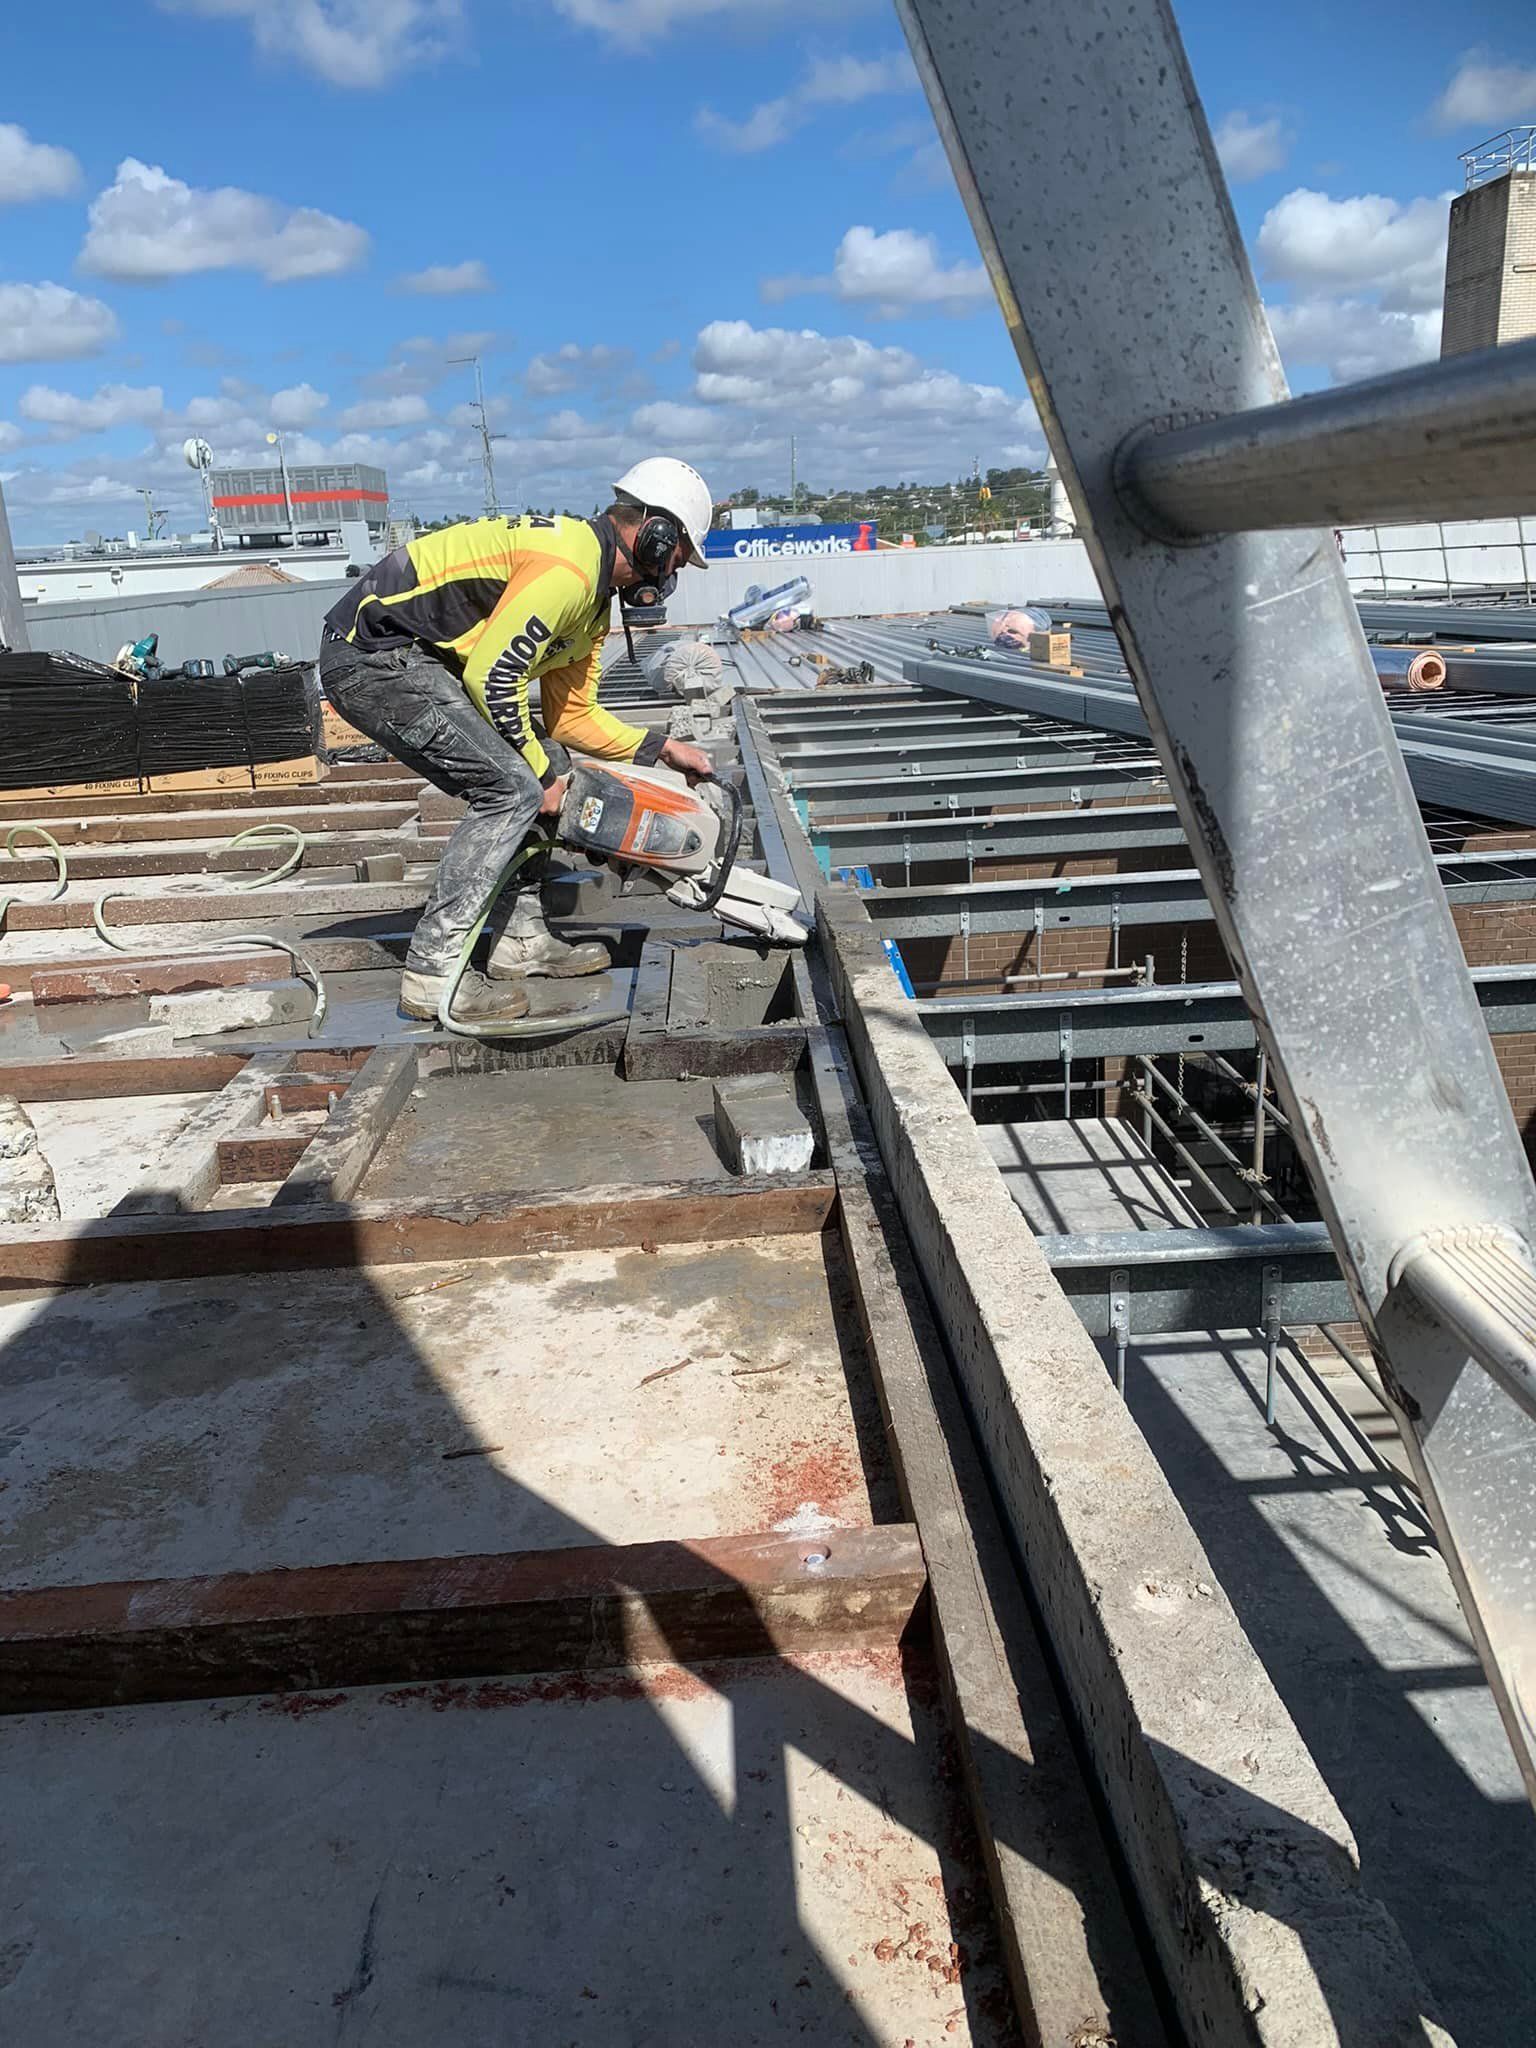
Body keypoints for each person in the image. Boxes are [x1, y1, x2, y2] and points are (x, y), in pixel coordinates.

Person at [318, 459, 715, 1024]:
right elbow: (492, 677)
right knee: (513, 789)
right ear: (656, 534)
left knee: (544, 761)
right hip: (373, 656)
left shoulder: (592, 604)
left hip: (413, 661)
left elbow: (571, 715)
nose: (671, 574)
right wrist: (542, 779)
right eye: (679, 558)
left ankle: (519, 940)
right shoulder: (570, 568)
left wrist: (661, 749)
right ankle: (433, 974)